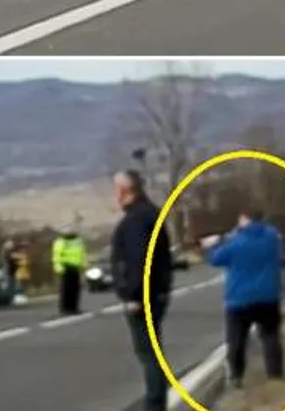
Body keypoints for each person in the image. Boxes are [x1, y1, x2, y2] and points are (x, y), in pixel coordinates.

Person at [110, 169, 174, 411]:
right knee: (152, 351)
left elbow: (139, 260)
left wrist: (134, 294)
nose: (114, 195)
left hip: (143, 297)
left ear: (126, 190)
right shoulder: (150, 214)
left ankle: (155, 405)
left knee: (149, 354)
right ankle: (157, 401)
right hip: (156, 292)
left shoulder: (136, 220)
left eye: (116, 189)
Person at [203, 210, 285, 388]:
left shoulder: (235, 242)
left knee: (237, 339)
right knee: (271, 336)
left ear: (244, 219)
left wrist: (213, 245)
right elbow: (281, 253)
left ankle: (236, 375)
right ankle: (275, 374)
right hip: (268, 296)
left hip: (239, 298)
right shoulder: (272, 238)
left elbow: (216, 259)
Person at [52, 226, 88, 314]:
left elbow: (82, 253)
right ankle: (65, 308)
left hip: (76, 267)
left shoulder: (78, 241)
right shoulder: (61, 242)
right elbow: (57, 255)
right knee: (66, 289)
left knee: (75, 289)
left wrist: (84, 264)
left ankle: (74, 307)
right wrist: (58, 267)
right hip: (66, 267)